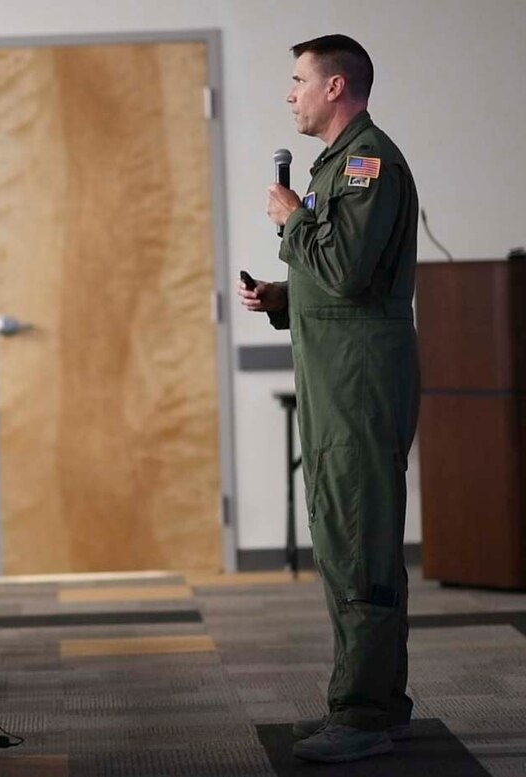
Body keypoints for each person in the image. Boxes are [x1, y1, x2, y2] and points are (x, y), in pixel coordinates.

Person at [238, 35, 419, 764]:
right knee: (346, 534)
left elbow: (343, 268)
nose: (290, 94)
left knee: (359, 538)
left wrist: (290, 217)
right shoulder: (337, 166)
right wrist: (284, 293)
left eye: (297, 81)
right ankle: (373, 703)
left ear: (336, 87)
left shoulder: (369, 163)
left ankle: (365, 714)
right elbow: (337, 274)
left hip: (359, 380)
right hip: (333, 374)